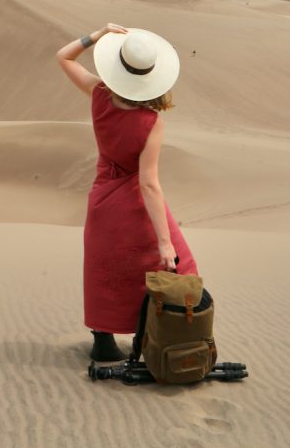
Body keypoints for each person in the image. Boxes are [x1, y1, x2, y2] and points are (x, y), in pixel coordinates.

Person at [56, 22, 198, 362]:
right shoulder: (150, 122)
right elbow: (149, 183)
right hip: (134, 202)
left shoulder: (100, 95)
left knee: (104, 268)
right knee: (180, 267)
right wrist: (164, 241)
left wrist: (98, 34)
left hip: (103, 199)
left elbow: (63, 57)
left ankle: (102, 341)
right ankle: (144, 338)